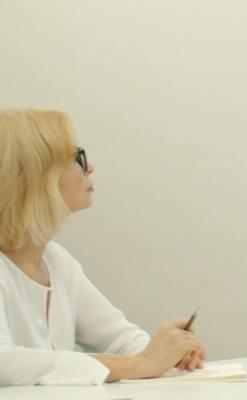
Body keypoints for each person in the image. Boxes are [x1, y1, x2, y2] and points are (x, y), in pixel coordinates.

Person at [0, 109, 207, 386]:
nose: (90, 168)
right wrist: (144, 363)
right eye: (76, 158)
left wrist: (170, 352)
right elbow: (5, 363)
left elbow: (119, 338)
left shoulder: (56, 261)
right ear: (35, 177)